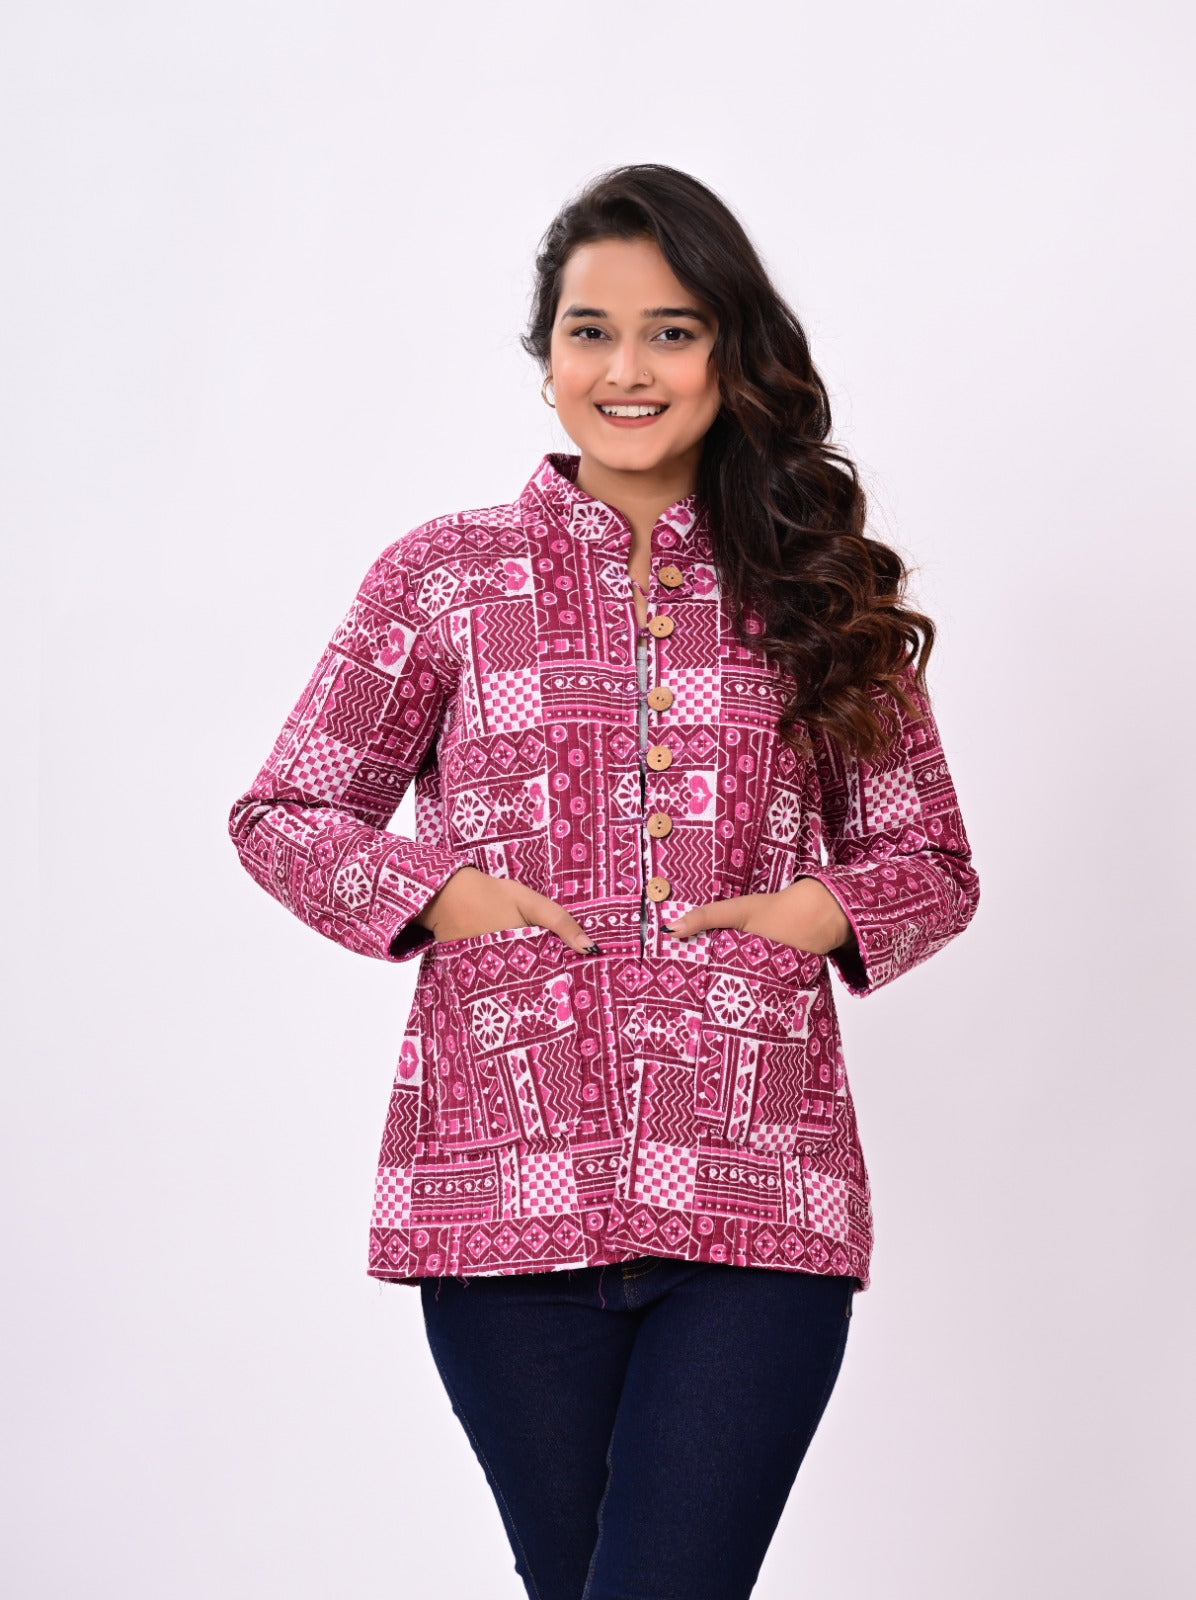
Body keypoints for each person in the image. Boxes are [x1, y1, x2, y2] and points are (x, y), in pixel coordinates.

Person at [227, 163, 980, 1600]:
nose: (626, 369)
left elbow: (930, 861)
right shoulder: (445, 579)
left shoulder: (814, 587)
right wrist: (441, 892)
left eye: (671, 331)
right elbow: (286, 813)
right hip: (500, 1195)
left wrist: (814, 912)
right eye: (591, 331)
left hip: (759, 1183)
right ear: (547, 356)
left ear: (732, 353)